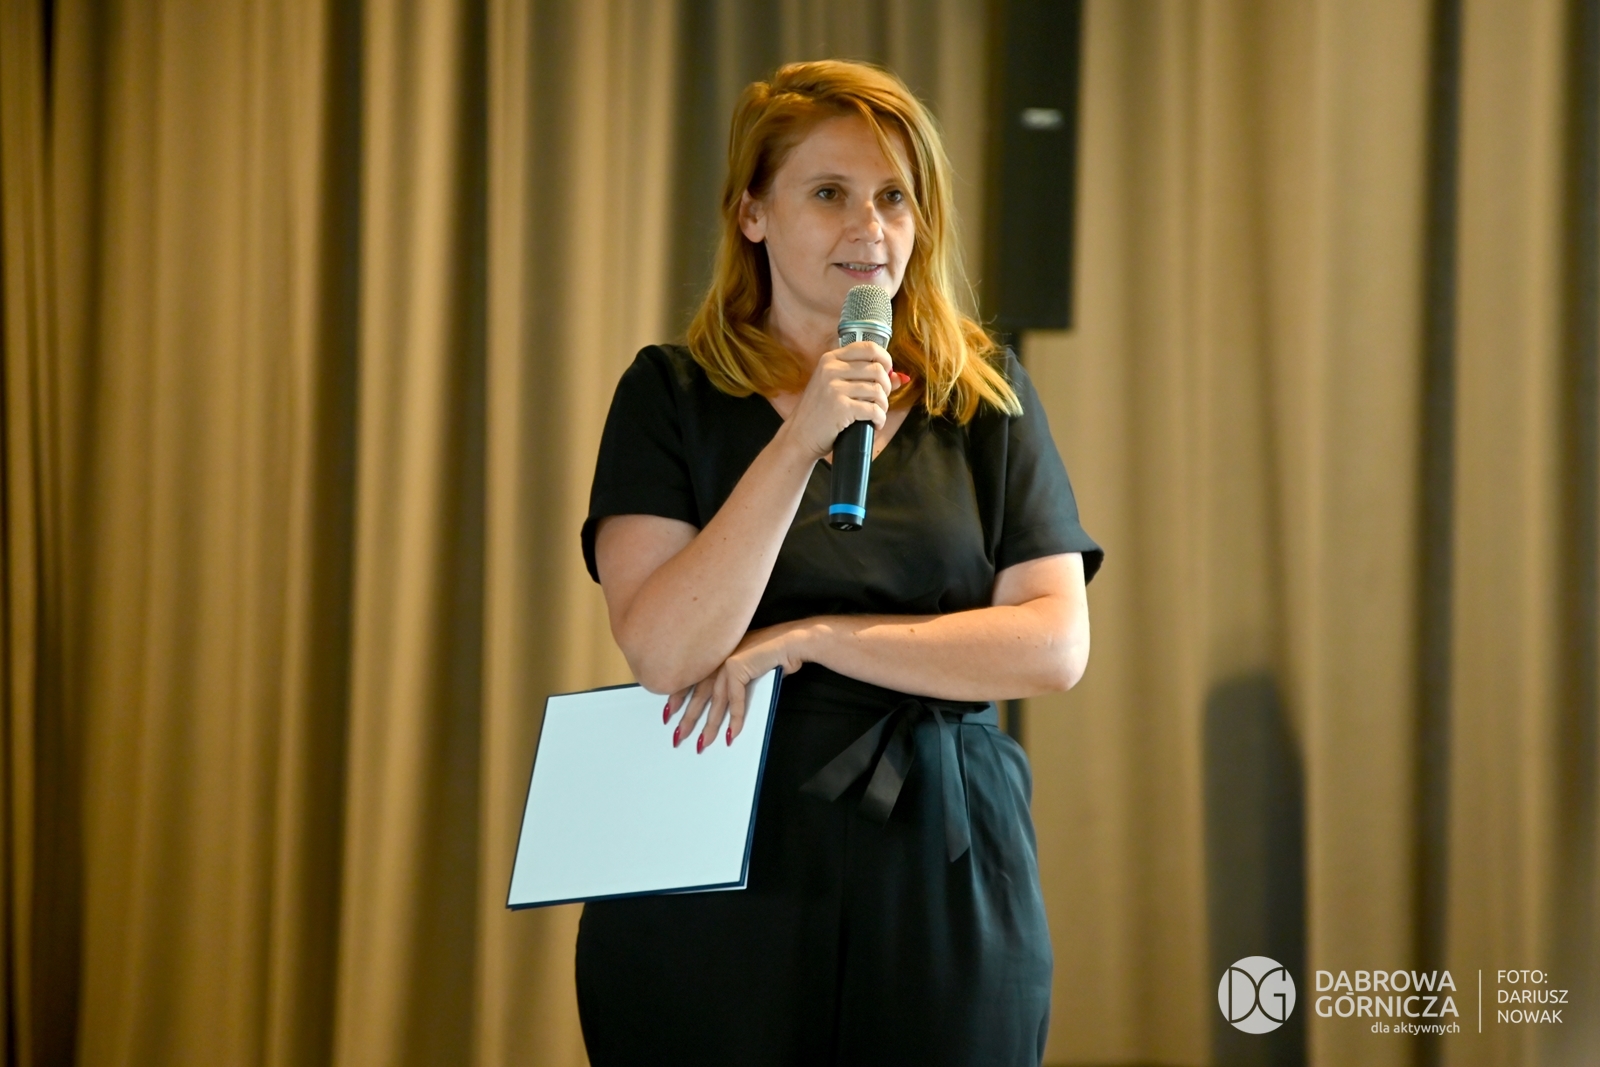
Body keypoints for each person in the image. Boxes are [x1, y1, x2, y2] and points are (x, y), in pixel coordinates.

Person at [574, 59, 1102, 1067]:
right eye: (829, 193)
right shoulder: (669, 394)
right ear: (752, 213)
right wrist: (799, 439)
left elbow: (1051, 644)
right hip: (721, 840)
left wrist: (813, 637)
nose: (870, 227)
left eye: (894, 197)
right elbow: (666, 647)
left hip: (940, 845)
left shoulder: (982, 396)